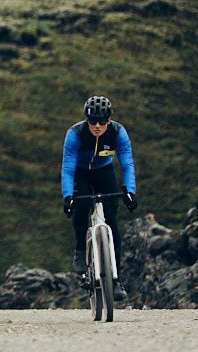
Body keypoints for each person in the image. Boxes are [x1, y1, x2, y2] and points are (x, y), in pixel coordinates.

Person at [62, 95, 136, 298]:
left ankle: (116, 280)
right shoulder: (75, 133)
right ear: (86, 120)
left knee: (112, 222)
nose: (97, 126)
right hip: (80, 173)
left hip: (104, 172)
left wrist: (130, 191)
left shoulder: (118, 132)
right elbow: (67, 168)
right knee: (81, 208)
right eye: (92, 121)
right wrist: (68, 196)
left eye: (102, 121)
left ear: (109, 119)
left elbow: (127, 163)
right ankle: (80, 250)